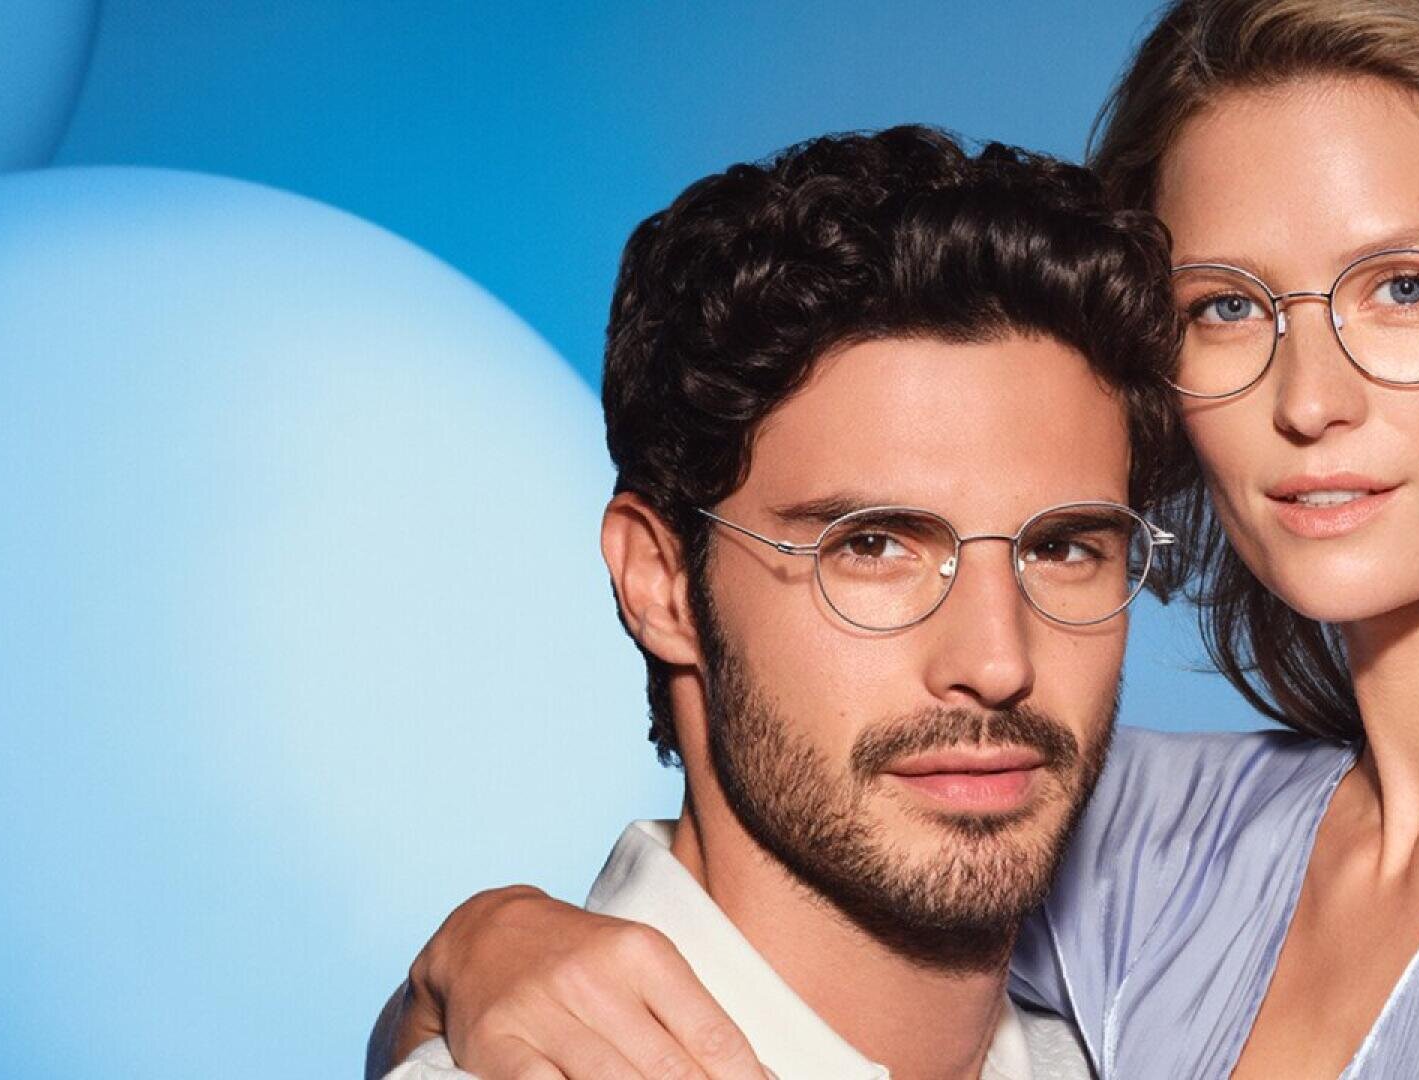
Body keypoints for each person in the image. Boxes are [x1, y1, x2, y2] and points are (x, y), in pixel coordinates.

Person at [375, 1, 1419, 1077]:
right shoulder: (1159, 841)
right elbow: (806, 892)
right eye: (1228, 308)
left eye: (1406, 289)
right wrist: (465, 967)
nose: (1311, 399)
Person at [367, 124, 1195, 1079]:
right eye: (871, 546)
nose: (997, 662)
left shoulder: (1172, 1038)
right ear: (661, 583)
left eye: (1061, 548)